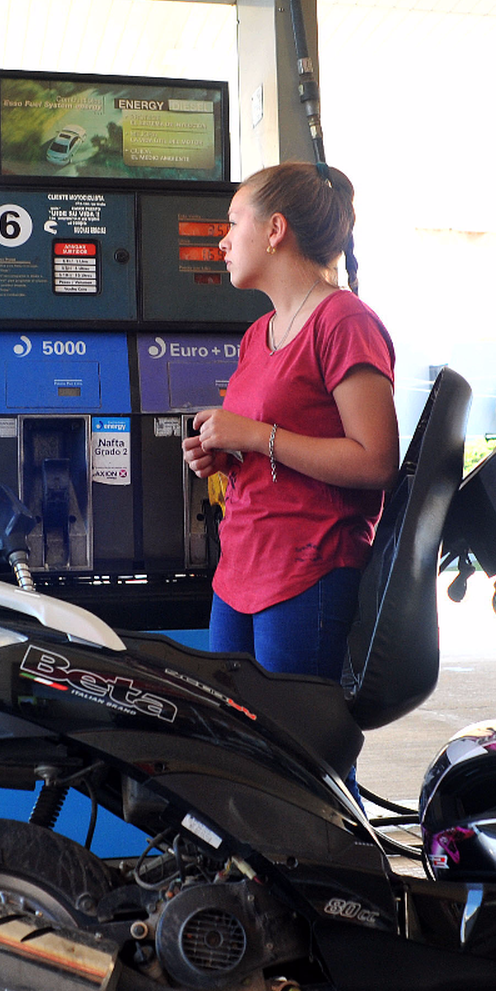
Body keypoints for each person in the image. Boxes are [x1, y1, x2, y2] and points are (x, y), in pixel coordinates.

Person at [182, 161, 399, 686]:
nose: (223, 243)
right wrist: (225, 453)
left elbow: (376, 461)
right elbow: (273, 445)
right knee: (242, 749)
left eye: (234, 223)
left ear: (275, 230)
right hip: (239, 569)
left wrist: (256, 436)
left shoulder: (345, 321)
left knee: (303, 753)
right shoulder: (259, 333)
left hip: (309, 570)